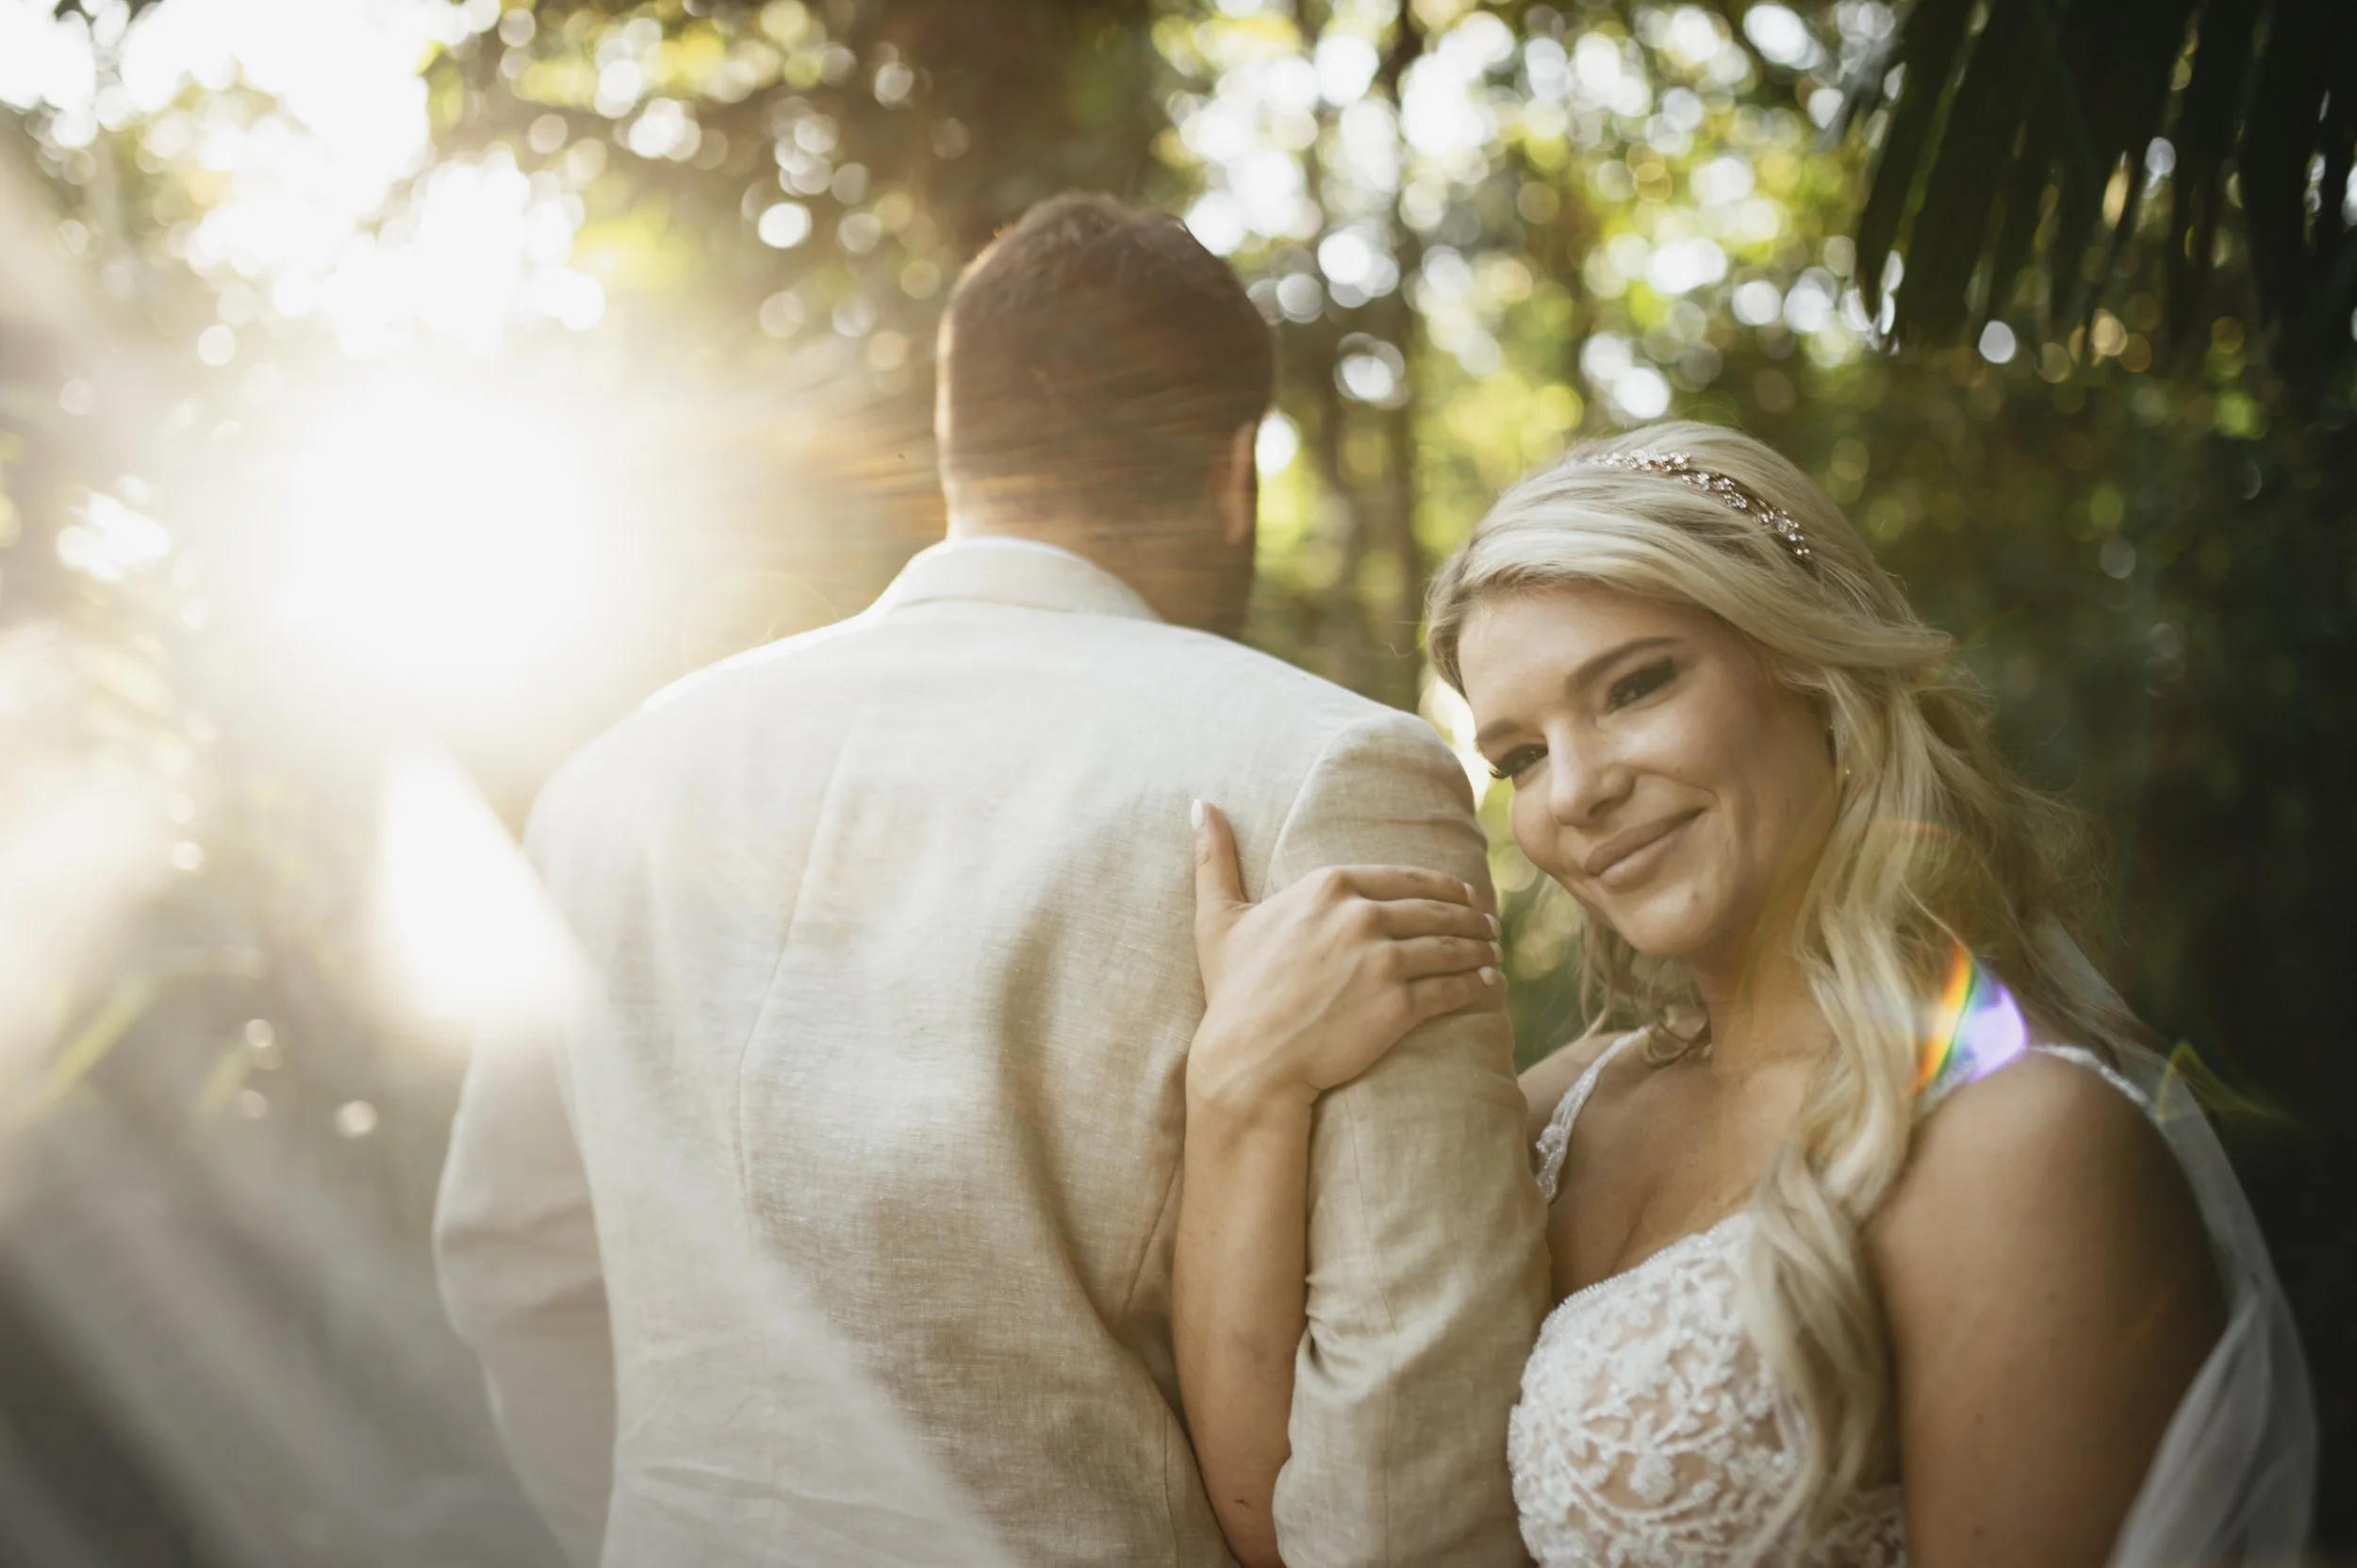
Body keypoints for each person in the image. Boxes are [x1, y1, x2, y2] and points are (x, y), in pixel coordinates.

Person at [432, 191, 1549, 1568]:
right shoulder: (1325, 768)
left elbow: (515, 1258)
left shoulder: (608, 786)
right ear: (1232, 471)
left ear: (959, 445)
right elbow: (1405, 1451)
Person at [1177, 421, 2316, 1567]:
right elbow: (1300, 1520)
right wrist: (1242, 1080)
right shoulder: (1560, 1112)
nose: (1573, 792)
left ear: (1809, 668)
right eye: (1520, 755)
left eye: (1632, 686)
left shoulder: (2015, 1142)